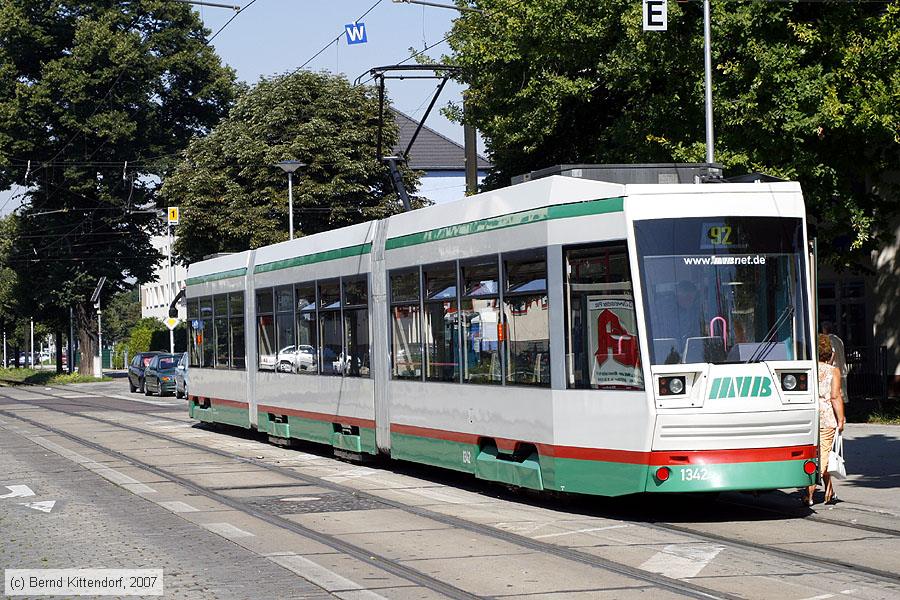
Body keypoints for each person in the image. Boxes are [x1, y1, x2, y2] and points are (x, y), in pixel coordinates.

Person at [804, 334, 846, 506]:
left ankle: (830, 491)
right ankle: (809, 492)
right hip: (827, 417)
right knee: (823, 457)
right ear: (830, 353)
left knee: (819, 453)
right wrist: (841, 419)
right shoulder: (832, 371)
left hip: (810, 415)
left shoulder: (809, 369)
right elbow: (835, 396)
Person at [821, 321, 848, 404]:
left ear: (825, 329)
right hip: (842, 369)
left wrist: (829, 364)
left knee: (834, 392)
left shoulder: (828, 339)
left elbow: (833, 352)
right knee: (842, 393)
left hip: (834, 369)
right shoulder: (838, 339)